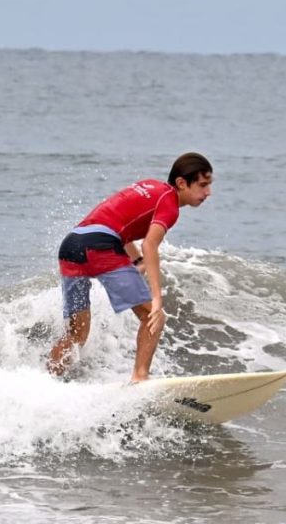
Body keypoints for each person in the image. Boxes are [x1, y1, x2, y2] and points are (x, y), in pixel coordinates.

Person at [47, 152, 213, 382]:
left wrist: (136, 262)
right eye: (203, 185)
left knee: (77, 333)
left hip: (71, 246)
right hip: (99, 247)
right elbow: (150, 244)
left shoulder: (151, 187)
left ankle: (45, 381)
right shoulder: (170, 204)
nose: (208, 193)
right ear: (182, 183)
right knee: (153, 317)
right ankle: (140, 377)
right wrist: (156, 299)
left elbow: (118, 226)